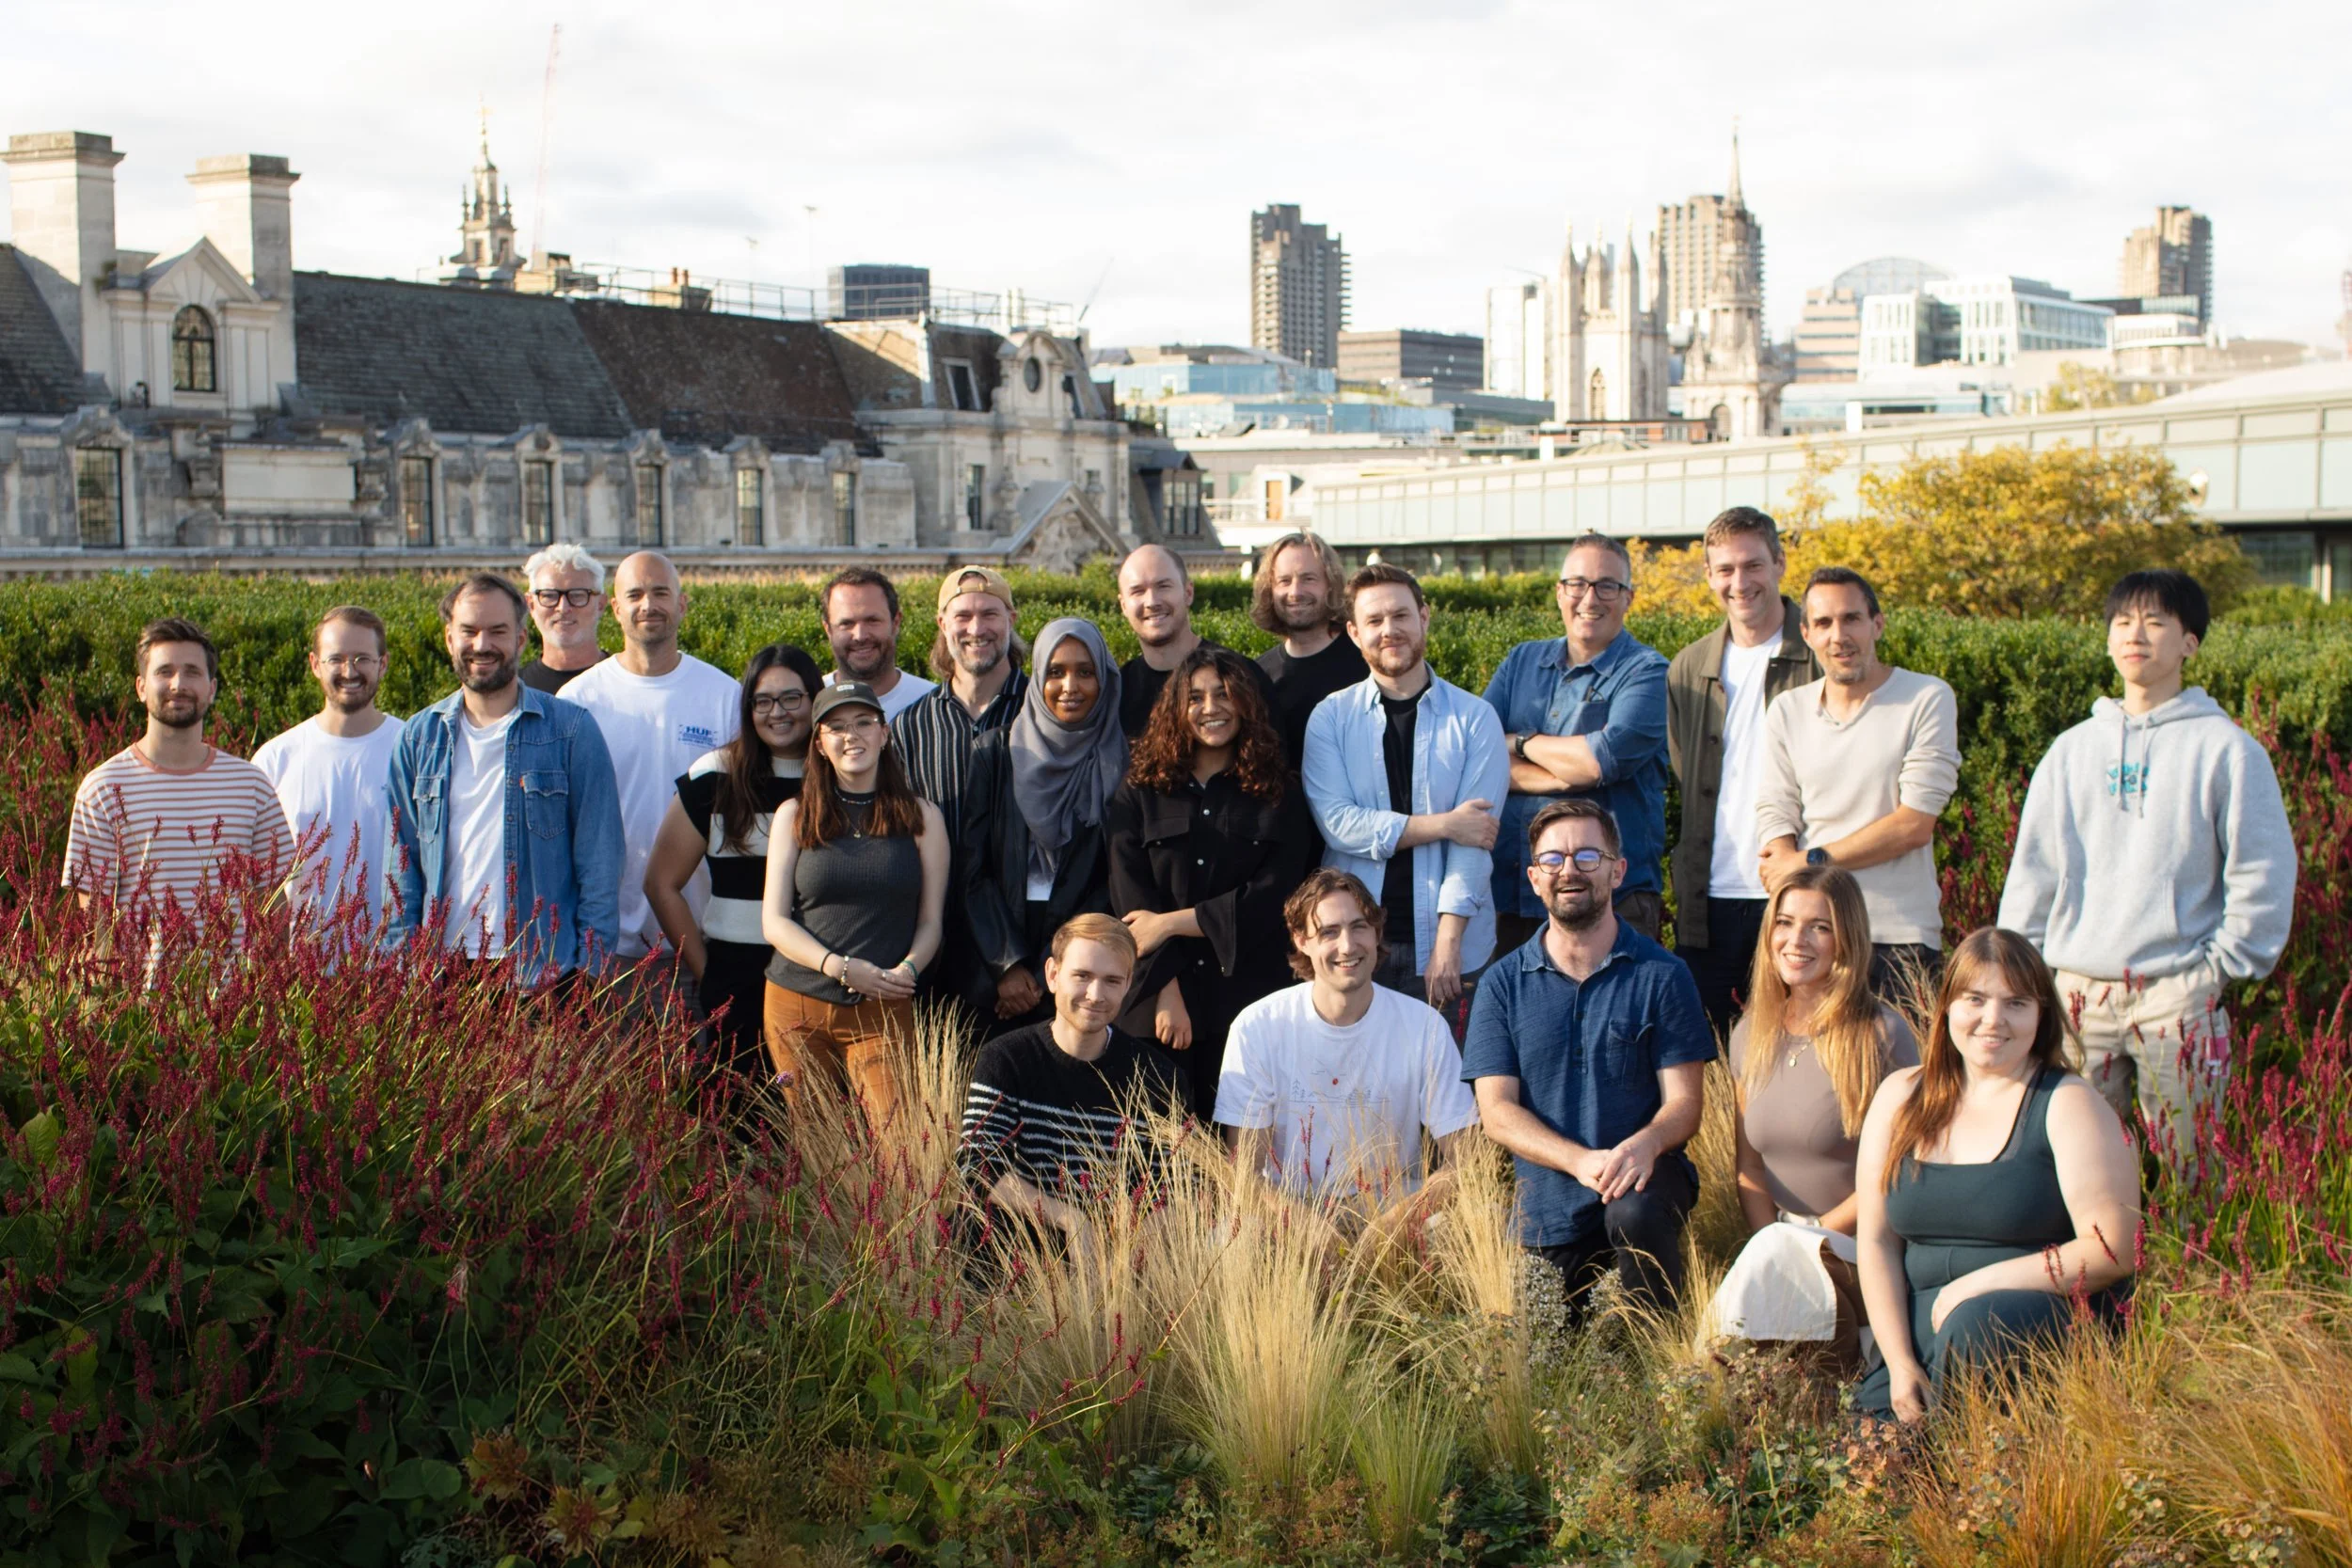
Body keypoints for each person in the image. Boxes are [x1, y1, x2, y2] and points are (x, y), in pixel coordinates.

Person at [1998, 569, 2294, 1152]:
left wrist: (2216, 971)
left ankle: (2185, 1252)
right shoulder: (2072, 749)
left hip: (2177, 993)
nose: (2136, 634)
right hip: (2078, 993)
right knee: (2074, 1172)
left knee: (2193, 1172)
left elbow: (2262, 870)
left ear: (2189, 643)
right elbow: (2035, 869)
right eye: (2123, 621)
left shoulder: (2228, 750)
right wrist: (2019, 970)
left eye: (2156, 622)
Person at [1853, 927, 2140, 1423]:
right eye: (1976, 999)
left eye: (2016, 1003)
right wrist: (1898, 1362)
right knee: (1867, 1466)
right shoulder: (1899, 1097)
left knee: (1974, 1330)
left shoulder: (2067, 1102)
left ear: (2040, 1016)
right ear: (1947, 1007)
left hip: (2026, 1323)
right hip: (1919, 1334)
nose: (1993, 1020)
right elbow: (1876, 1241)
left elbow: (2113, 1248)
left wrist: (1978, 1285)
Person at [1463, 800, 1715, 1323]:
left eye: (1587, 856)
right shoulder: (1501, 986)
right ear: (1534, 878)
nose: (1570, 870)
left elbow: (1685, 1106)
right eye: (1553, 859)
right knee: (1550, 1364)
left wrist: (1645, 1144)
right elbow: (1497, 1113)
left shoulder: (1663, 976)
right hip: (1549, 1210)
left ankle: (1657, 1357)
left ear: (1618, 870)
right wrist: (1580, 1161)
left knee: (1635, 1211)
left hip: (1642, 1184)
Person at [1700, 866, 1918, 1368]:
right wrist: (1770, 1243)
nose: (1796, 940)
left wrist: (1805, 1238)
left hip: (1864, 1248)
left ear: (1846, 938)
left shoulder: (1882, 1036)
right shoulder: (1750, 1034)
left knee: (1749, 1355)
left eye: (1819, 926)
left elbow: (1898, 1170)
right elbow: (1749, 1168)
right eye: (1785, 922)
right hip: (1776, 1245)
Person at [384, 573, 623, 986]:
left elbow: (600, 862)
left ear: (521, 639)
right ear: (448, 638)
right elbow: (401, 865)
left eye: (497, 631)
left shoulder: (570, 731)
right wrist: (406, 966)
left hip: (546, 974)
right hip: (443, 975)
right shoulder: (418, 738)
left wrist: (590, 973)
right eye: (469, 631)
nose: (482, 645)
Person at [1106, 644, 1317, 1111]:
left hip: (1248, 1000)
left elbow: (1275, 896)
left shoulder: (1280, 793)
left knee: (1245, 1146)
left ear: (1245, 701)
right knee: (1162, 1148)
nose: (1210, 709)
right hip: (1158, 1003)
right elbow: (1133, 901)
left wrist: (1172, 922)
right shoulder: (1140, 789)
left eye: (1223, 694)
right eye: (1195, 698)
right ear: (1176, 708)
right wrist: (1166, 990)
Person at [1216, 869, 1479, 1239]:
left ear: (1377, 933)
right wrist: (1308, 1230)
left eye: (1359, 927)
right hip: (1291, 1213)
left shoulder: (1423, 1026)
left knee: (1480, 1224)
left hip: (1394, 1211)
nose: (1347, 945)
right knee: (1230, 1239)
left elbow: (1465, 1160)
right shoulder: (1258, 1025)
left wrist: (1395, 1225)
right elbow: (1244, 1172)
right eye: (1328, 932)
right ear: (1301, 940)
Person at [1301, 563, 1508, 1020]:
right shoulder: (1330, 719)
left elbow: (1474, 845)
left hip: (1452, 947)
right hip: (1351, 947)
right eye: (1374, 621)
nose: (1389, 630)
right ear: (1354, 633)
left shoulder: (1474, 719)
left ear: (1424, 618)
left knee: (1449, 1086)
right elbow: (1340, 826)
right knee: (1353, 1087)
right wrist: (1445, 824)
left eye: (1400, 616)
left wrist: (1447, 943)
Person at [1756, 567, 1961, 1001]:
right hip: (1812, 941)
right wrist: (1783, 861)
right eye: (1825, 624)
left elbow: (1913, 825)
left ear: (1877, 625)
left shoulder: (1926, 698)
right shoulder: (1787, 710)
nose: (1839, 636)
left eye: (1851, 619)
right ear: (1807, 634)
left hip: (1897, 937)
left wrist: (1806, 861)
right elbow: (1774, 808)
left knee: (1901, 1071)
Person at [761, 679, 948, 1129]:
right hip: (796, 1004)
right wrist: (839, 967)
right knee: (816, 1146)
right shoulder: (795, 814)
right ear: (820, 744)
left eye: (864, 722)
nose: (852, 735)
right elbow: (773, 921)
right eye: (837, 727)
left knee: (899, 1146)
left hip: (883, 1006)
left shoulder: (922, 817)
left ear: (884, 734)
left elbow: (931, 921)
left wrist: (908, 971)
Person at [1666, 508, 1820, 1038]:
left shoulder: (1818, 655)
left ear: (1779, 563)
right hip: (1710, 896)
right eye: (1725, 569)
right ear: (1709, 575)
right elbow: (1686, 775)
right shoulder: (1689, 666)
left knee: (1802, 1049)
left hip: (1797, 890)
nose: (1739, 582)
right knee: (1710, 1054)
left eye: (1753, 565)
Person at [957, 913, 1195, 1258]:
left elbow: (1172, 1188)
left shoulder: (1160, 1077)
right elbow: (977, 1166)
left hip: (1114, 1264)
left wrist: (1127, 1252)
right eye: (1082, 976)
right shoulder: (1005, 1058)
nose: (1095, 995)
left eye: (1112, 980)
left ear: (1129, 984)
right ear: (1053, 975)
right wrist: (1071, 1220)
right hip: (1005, 1261)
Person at [64, 618, 294, 964]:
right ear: (141, 687)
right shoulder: (102, 789)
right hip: (138, 1010)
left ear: (212, 688)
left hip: (236, 1009)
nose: (178, 684)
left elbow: (274, 906)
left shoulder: (252, 786)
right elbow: (95, 923)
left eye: (191, 672)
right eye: (164, 671)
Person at [645, 642, 824, 1081]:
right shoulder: (715, 775)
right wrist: (708, 973)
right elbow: (661, 882)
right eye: (762, 701)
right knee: (738, 1123)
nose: (776, 712)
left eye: (791, 698)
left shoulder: (839, 773)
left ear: (815, 699)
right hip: (736, 980)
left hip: (820, 979)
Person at [1484, 533, 1670, 948]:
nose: (1590, 597)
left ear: (1628, 598)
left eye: (1608, 585)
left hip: (1613, 901)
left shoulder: (1648, 673)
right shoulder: (1521, 662)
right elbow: (1477, 755)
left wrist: (1520, 742)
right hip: (1513, 896)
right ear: (1559, 592)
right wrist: (1564, 775)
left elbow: (1595, 764)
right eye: (1578, 583)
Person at [561, 550, 740, 972]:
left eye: (661, 592)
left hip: (700, 940)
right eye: (635, 594)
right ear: (614, 607)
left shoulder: (723, 695)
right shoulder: (578, 701)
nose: (648, 605)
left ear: (682, 603)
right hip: (605, 946)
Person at [961, 619, 1125, 1035]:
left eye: (1085, 672)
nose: (1070, 686)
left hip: (1084, 968)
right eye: (1056, 672)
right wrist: (1010, 966)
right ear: (1037, 679)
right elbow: (971, 871)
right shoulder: (995, 753)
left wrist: (1052, 967)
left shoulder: (1123, 762)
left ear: (1104, 679)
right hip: (997, 968)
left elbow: (1117, 877)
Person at [250, 605, 406, 934]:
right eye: (336, 659)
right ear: (314, 665)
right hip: (297, 971)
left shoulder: (412, 750)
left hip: (394, 967)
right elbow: (256, 878)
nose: (349, 671)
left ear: (384, 664)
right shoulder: (275, 759)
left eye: (362, 658)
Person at [893, 565, 1029, 836]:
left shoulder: (1043, 713)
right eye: (963, 616)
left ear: (1010, 620)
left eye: (989, 614)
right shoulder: (910, 728)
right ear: (943, 625)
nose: (976, 629)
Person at [1113, 543, 1272, 739]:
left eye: (1163, 586)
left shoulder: (1242, 677)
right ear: (1123, 606)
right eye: (1137, 591)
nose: (1152, 601)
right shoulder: (1117, 693)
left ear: (1188, 593)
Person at [1251, 531, 1366, 767]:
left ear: (1330, 585)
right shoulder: (1258, 675)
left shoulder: (1366, 663)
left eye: (1308, 579)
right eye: (1284, 581)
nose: (1295, 592)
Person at [819, 567, 936, 721]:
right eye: (846, 623)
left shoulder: (934, 704)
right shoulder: (810, 702)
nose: (860, 636)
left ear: (895, 623)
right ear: (828, 630)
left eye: (872, 621)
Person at [518, 542, 611, 694]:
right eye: (549, 596)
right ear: (531, 605)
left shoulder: (628, 684)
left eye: (577, 595)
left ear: (600, 604)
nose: (563, 608)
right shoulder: (513, 694)